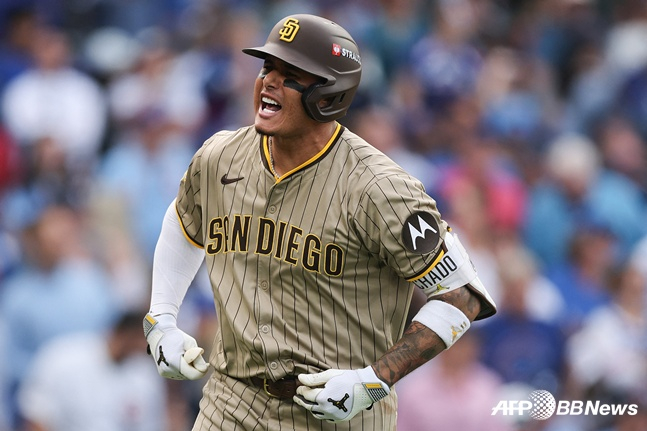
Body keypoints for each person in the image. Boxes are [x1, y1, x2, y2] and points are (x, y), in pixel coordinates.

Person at [142, 14, 496, 430]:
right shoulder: (220, 156)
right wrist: (161, 318)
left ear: (328, 95)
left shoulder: (381, 188)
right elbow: (184, 219)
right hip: (230, 402)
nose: (269, 82)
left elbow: (461, 298)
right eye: (267, 68)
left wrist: (373, 381)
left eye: (290, 75)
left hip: (339, 414)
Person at [17, 311, 167, 431]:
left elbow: (151, 425)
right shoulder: (62, 357)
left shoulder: (145, 374)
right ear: (124, 333)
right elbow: (36, 416)